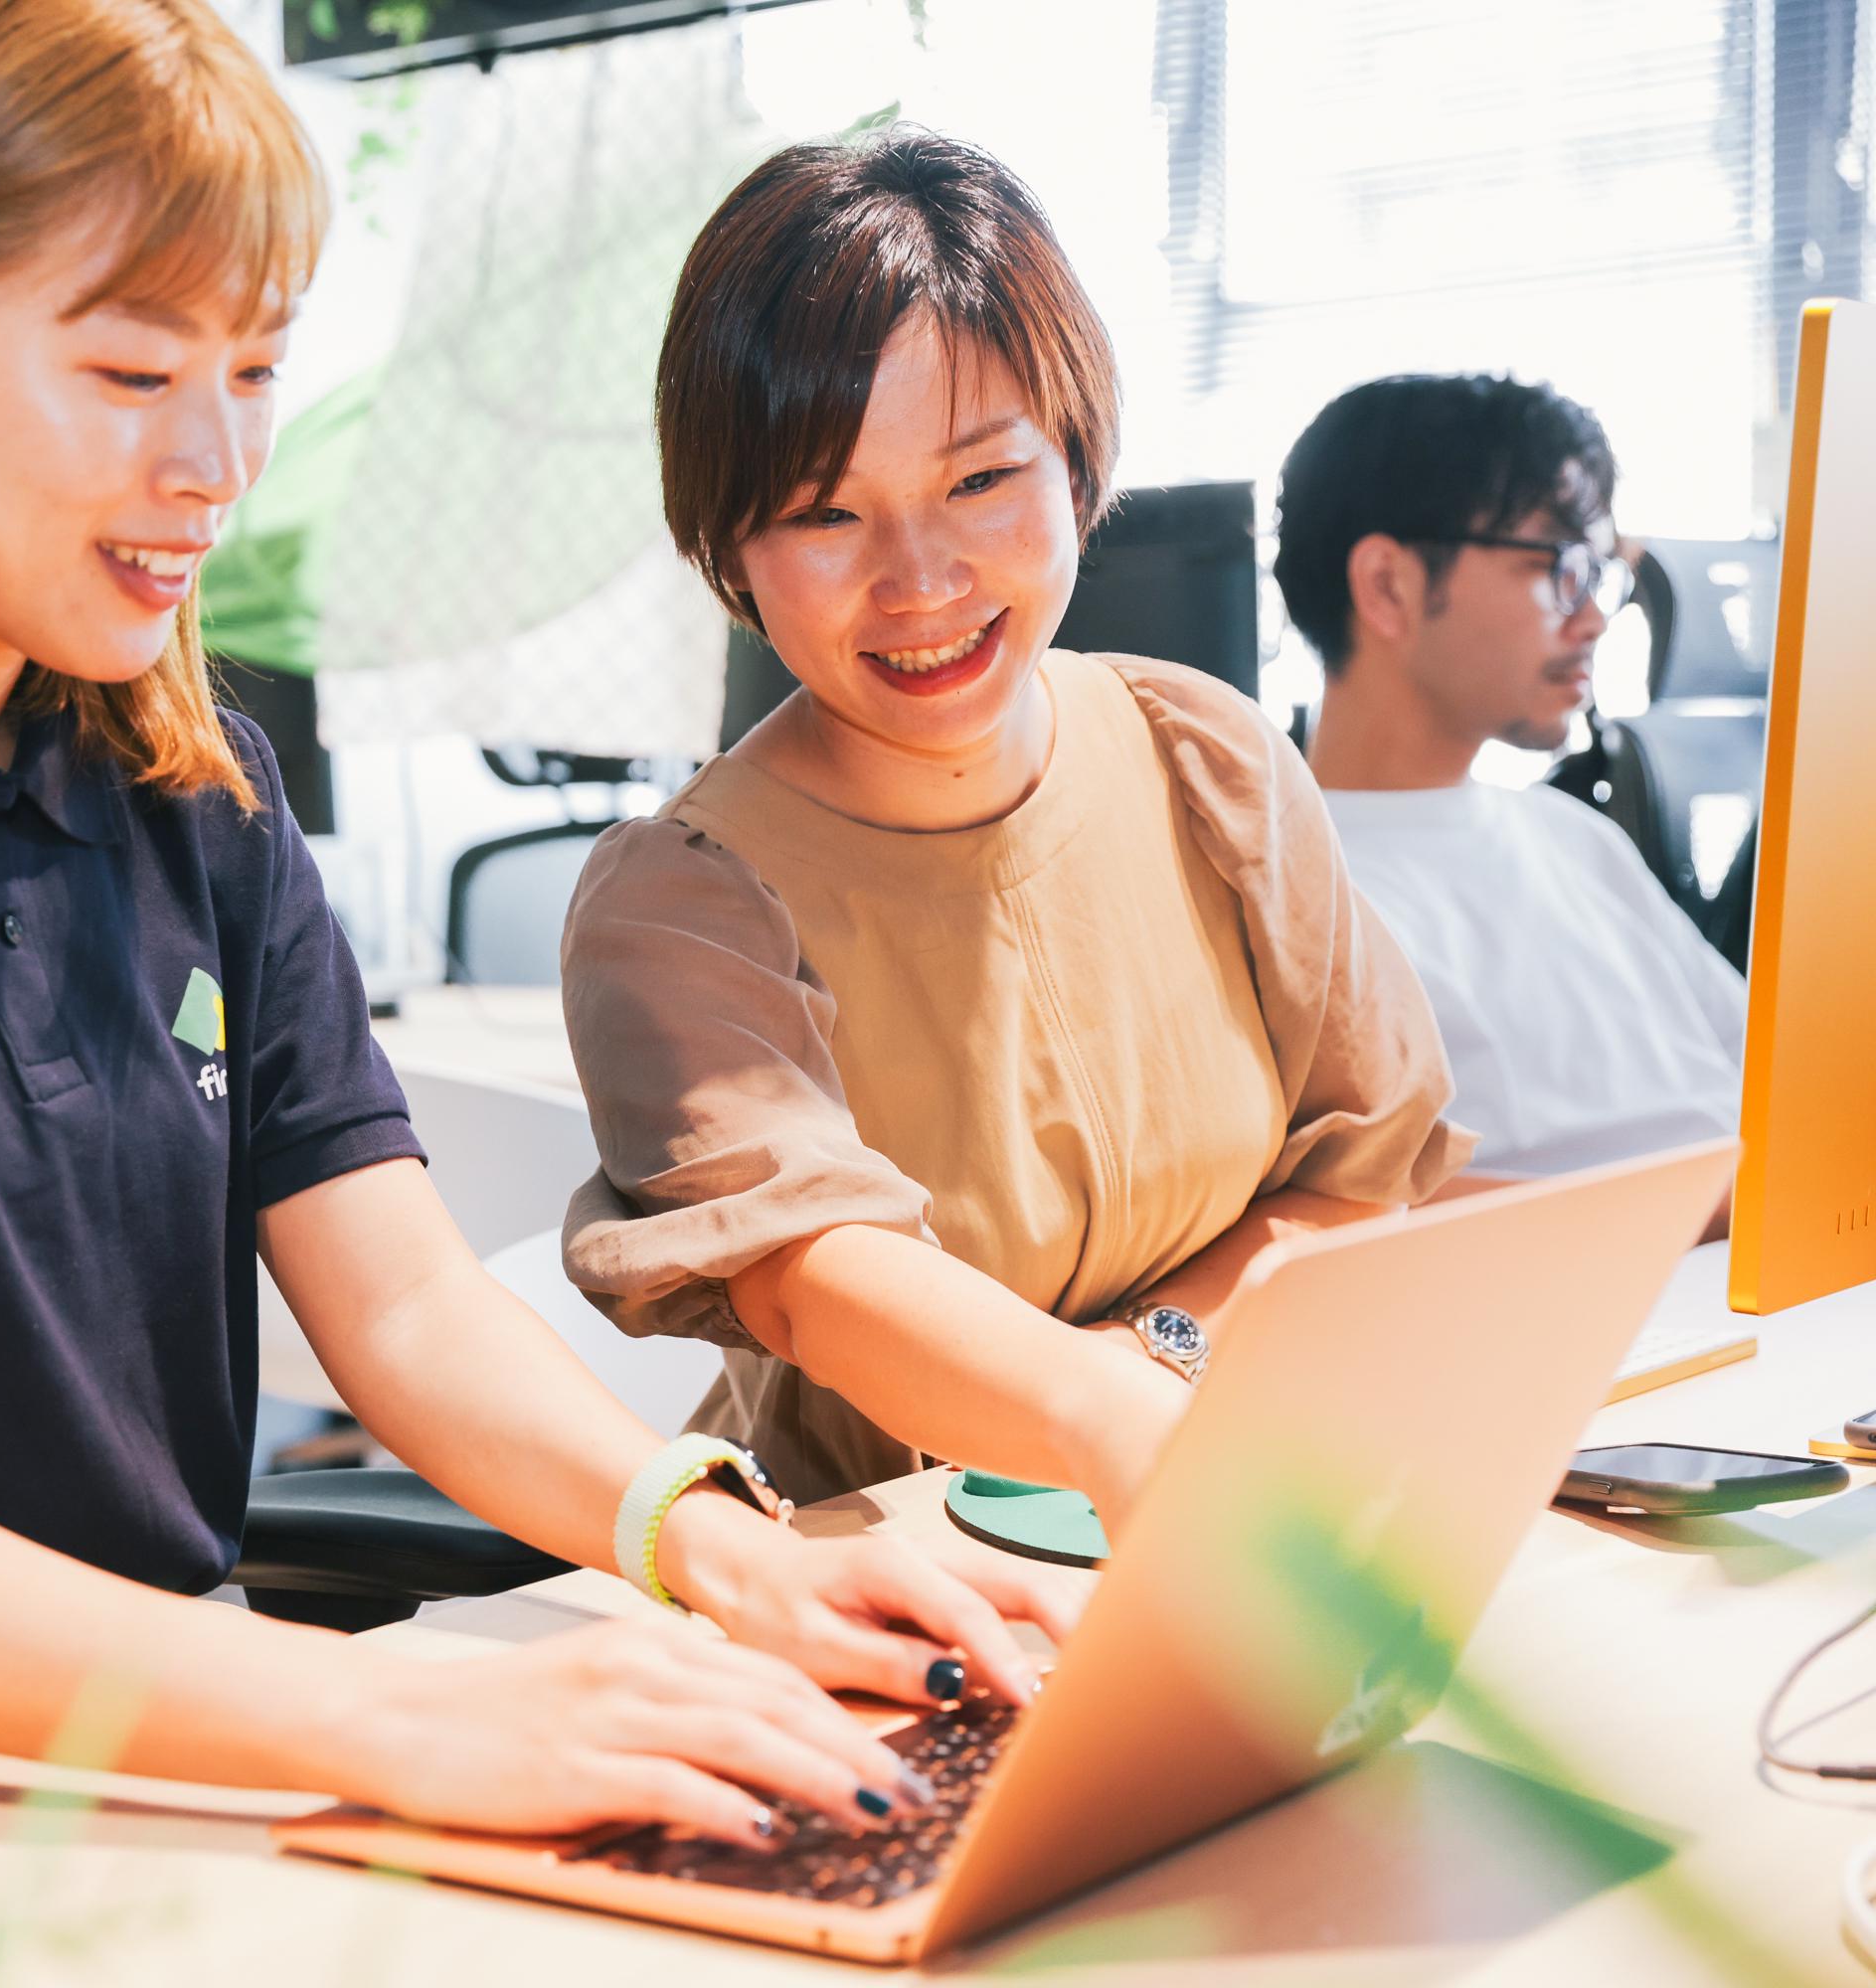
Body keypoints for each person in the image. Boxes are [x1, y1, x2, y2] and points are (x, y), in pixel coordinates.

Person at [0, 0, 1081, 1843]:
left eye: (254, 371)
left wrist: (710, 1541)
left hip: (176, 1740)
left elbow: (409, 1304)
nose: (216, 462)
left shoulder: (199, 799)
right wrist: (392, 1717)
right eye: (129, 374)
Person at [560, 129, 1473, 1518]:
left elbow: (1361, 1178)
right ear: (729, 547)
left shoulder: (1208, 763)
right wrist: (1126, 1415)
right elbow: (825, 1286)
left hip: (1242, 1489)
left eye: (981, 480)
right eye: (823, 510)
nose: (918, 579)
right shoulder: (678, 902)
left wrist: (1149, 1363)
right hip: (891, 1572)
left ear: (1077, 463)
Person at [1281, 375, 1747, 1202]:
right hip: (1628, 1307)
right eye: (1561, 567)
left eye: (1599, 573)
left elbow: (1782, 1090)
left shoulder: (1575, 837)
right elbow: (1389, 1219)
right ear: (1388, 586)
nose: (1596, 618)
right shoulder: (1299, 898)